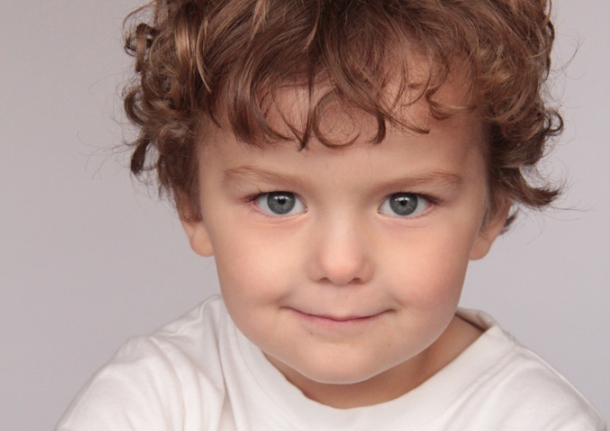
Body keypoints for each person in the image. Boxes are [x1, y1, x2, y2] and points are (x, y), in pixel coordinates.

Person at [56, 0, 606, 429]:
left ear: (493, 209)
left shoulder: (535, 421)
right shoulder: (150, 404)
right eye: (279, 201)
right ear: (192, 203)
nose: (340, 265)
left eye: (405, 202)